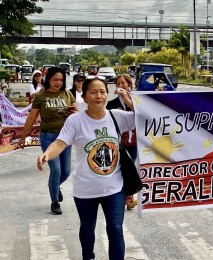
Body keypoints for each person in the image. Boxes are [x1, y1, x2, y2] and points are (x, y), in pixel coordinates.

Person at [37, 77, 135, 260]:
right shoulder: (75, 121)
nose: (99, 96)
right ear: (84, 96)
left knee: (115, 229)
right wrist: (47, 155)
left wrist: (129, 101)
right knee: (87, 228)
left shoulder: (117, 116)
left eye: (102, 91)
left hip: (114, 187)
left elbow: (146, 116)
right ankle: (88, 256)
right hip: (85, 189)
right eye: (93, 92)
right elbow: (60, 142)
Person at [18, 67, 76, 215]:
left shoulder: (67, 94)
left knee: (66, 171)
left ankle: (55, 186)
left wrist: (72, 112)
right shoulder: (41, 96)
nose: (58, 82)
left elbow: (76, 114)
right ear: (48, 79)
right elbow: (31, 117)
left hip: (65, 137)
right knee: (56, 170)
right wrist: (23, 136)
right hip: (48, 136)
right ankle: (54, 202)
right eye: (55, 79)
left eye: (61, 80)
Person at [106, 74, 138, 210]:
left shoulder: (138, 100)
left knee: (130, 168)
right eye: (118, 83)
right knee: (120, 169)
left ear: (129, 84)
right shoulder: (112, 104)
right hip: (119, 142)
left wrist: (127, 99)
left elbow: (140, 113)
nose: (120, 86)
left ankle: (128, 195)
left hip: (135, 141)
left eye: (123, 83)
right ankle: (126, 196)